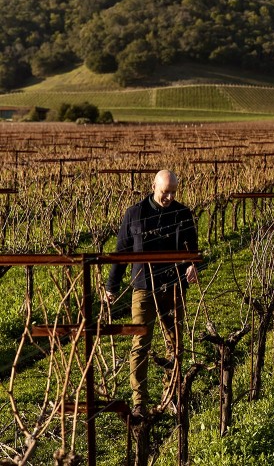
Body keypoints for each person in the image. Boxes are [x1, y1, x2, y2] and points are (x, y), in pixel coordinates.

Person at [106, 169, 199, 418]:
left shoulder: (183, 214)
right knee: (140, 345)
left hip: (174, 286)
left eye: (172, 192)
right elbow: (121, 252)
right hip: (144, 288)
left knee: (175, 343)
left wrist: (192, 266)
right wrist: (111, 286)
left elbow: (193, 250)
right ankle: (139, 402)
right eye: (164, 192)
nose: (168, 197)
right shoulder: (134, 214)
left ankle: (171, 395)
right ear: (154, 186)